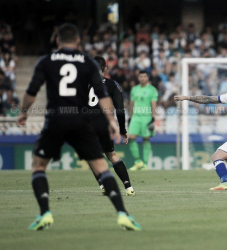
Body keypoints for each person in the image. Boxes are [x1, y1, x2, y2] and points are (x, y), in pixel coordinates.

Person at [17, 23, 141, 231]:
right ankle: (123, 214)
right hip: (83, 122)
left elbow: (32, 90)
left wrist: (23, 112)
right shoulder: (87, 64)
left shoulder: (46, 61)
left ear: (57, 40)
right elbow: (102, 96)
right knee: (103, 165)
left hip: (57, 118)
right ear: (78, 42)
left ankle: (45, 213)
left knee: (39, 166)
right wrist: (113, 123)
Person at [89, 56, 135, 197]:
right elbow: (120, 110)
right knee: (111, 155)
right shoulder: (113, 84)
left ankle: (103, 184)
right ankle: (128, 187)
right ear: (105, 69)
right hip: (104, 124)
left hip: (87, 125)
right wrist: (122, 130)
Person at [128, 71, 158, 170]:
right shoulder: (134, 89)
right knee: (131, 137)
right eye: (141, 76)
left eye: (144, 76)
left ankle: (145, 163)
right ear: (138, 78)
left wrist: (153, 117)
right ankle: (138, 161)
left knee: (146, 139)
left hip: (147, 117)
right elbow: (131, 103)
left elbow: (153, 103)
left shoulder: (152, 89)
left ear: (147, 78)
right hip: (136, 116)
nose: (142, 78)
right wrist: (130, 116)